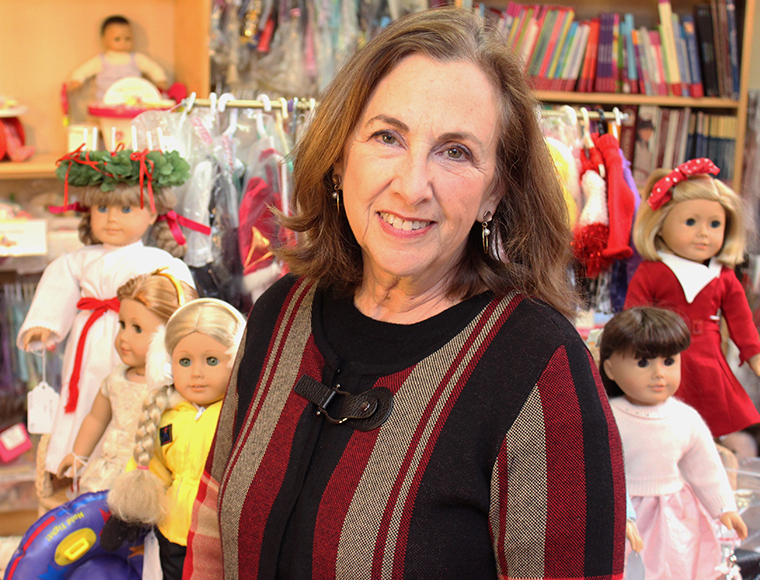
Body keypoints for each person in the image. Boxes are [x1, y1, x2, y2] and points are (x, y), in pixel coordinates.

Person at [184, 8, 626, 579]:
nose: (413, 186)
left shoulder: (541, 368)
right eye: (387, 137)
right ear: (340, 156)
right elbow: (213, 535)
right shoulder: (280, 312)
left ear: (494, 193)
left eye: (456, 151)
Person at [17, 147, 195, 510]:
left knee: (128, 408)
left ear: (152, 212)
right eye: (102, 208)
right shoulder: (77, 260)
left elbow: (178, 311)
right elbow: (57, 291)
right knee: (85, 400)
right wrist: (44, 326)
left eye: (126, 209)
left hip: (135, 349)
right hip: (88, 345)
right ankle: (76, 465)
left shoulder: (160, 262)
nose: (112, 219)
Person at [102, 298, 245, 580]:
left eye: (212, 360)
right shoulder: (167, 417)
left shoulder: (238, 416)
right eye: (184, 361)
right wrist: (126, 514)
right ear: (167, 364)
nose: (196, 372)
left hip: (222, 537)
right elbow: (151, 467)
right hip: (173, 532)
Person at [599, 306, 747, 579]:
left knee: (679, 564)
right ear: (610, 368)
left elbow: (705, 467)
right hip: (625, 510)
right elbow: (601, 469)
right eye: (643, 363)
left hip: (677, 513)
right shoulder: (607, 417)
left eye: (669, 361)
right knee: (628, 568)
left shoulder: (684, 417)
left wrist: (723, 508)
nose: (659, 374)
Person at [625, 158, 760, 438]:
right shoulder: (652, 271)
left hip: (708, 362)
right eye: (690, 222)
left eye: (714, 224)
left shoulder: (722, 276)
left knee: (709, 425)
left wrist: (754, 355)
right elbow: (633, 318)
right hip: (663, 356)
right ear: (661, 225)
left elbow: (742, 322)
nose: (703, 233)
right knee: (663, 423)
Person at [56, 270, 197, 495]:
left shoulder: (176, 388)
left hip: (154, 476)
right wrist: (78, 455)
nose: (123, 337)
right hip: (110, 473)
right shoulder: (116, 379)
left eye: (137, 328)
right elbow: (95, 420)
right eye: (122, 324)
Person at [68, 15, 169, 101]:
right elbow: (83, 70)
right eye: (117, 39)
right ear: (104, 40)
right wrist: (76, 80)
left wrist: (160, 80)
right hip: (106, 103)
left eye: (127, 38)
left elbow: (153, 68)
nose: (123, 43)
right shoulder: (101, 61)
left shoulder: (136, 59)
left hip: (133, 102)